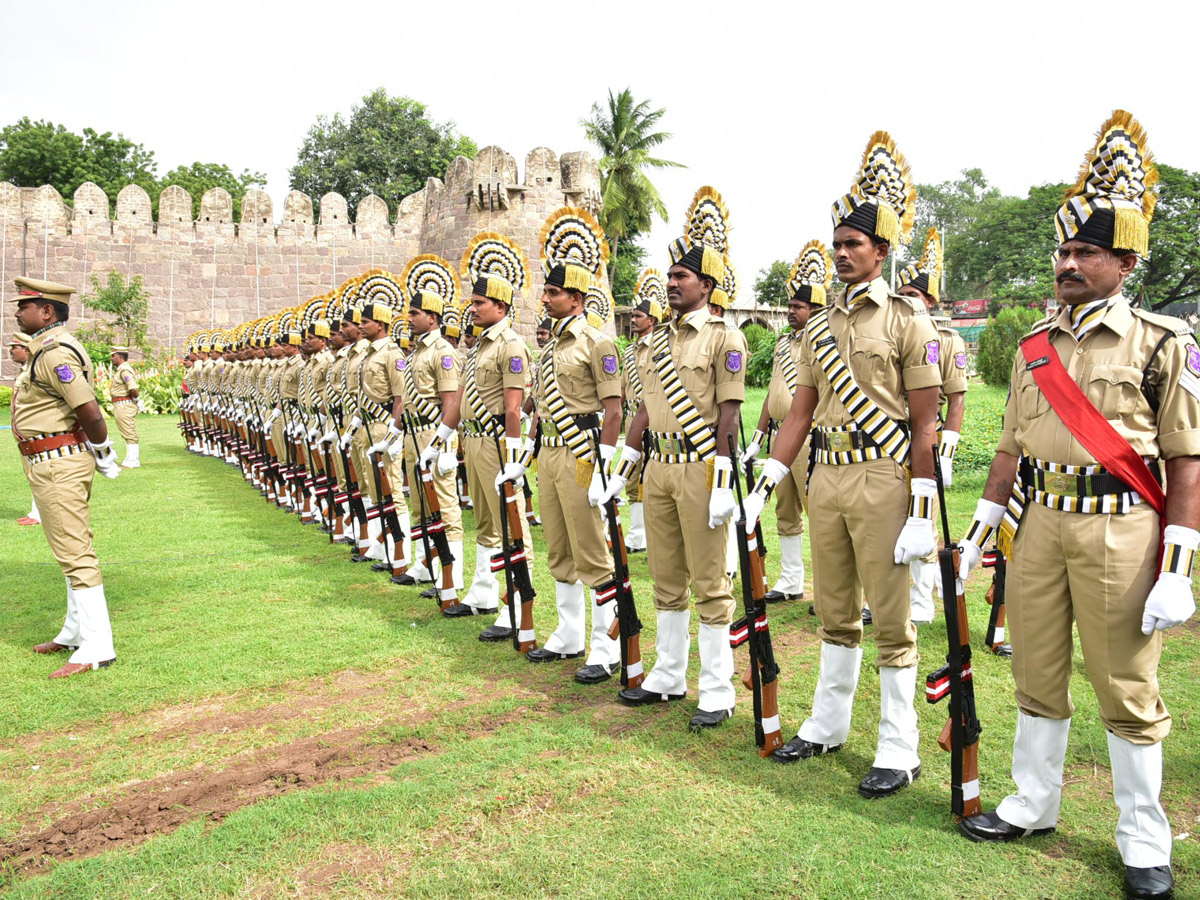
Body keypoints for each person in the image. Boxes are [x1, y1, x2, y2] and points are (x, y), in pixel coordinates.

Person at [954, 111, 1197, 900]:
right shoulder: (1033, 345)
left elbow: (1188, 458)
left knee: (1125, 684)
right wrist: (986, 521)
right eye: (1062, 250)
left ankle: (1142, 838)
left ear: (1124, 262)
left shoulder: (1162, 343)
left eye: (1084, 251)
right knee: (1036, 667)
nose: (1067, 262)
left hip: (1121, 530)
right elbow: (1010, 446)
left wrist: (1179, 565)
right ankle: (1032, 804)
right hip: (1041, 524)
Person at [742, 133, 942, 796]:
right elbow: (799, 409)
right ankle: (827, 725)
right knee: (833, 610)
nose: (842, 254)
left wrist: (921, 509)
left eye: (854, 244)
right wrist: (770, 477)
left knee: (890, 617)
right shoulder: (818, 327)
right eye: (837, 244)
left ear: (882, 252)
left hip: (884, 478)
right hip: (824, 476)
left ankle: (897, 744)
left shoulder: (910, 321)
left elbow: (925, 424)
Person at [600, 186, 747, 730]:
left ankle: (717, 687)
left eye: (681, 277)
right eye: (670, 277)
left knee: (710, 581)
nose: (671, 283)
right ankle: (668, 674)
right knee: (664, 576)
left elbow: (729, 415)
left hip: (700, 465)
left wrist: (724, 479)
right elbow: (642, 409)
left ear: (705, 285)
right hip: (657, 468)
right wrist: (622, 463)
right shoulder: (652, 342)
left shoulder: (724, 336)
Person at [500, 207, 622, 681]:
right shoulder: (548, 347)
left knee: (592, 548)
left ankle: (606, 645)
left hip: (582, 452)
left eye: (552, 292)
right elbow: (537, 405)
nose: (543, 299)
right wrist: (523, 454)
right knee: (558, 546)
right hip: (548, 453)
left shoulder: (598, 343)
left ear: (575, 297)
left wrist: (604, 467)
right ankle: (570, 633)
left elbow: (614, 411)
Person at [419, 232, 531, 636]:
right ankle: (484, 590)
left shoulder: (511, 346)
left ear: (500, 306)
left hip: (499, 443)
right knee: (485, 521)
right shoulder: (479, 347)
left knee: (509, 522)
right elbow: (461, 399)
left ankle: (516, 602)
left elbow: (515, 407)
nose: (473, 309)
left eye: (480, 303)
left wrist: (516, 458)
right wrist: (438, 442)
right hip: (474, 439)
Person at [10, 277, 120, 679]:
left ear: (47, 312)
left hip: (59, 462)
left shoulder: (56, 354)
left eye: (25, 306)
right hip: (50, 460)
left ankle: (97, 646)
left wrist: (104, 452)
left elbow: (88, 410)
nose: (18, 312)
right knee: (67, 552)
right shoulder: (44, 350)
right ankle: (76, 631)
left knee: (76, 554)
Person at [741, 241, 830, 605]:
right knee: (785, 511)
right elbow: (772, 391)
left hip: (809, 437)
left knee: (821, 514)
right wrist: (759, 436)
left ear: (815, 308)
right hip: (780, 434)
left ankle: (829, 590)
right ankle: (792, 579)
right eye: (790, 305)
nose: (791, 311)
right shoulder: (781, 344)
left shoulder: (826, 342)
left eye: (798, 306)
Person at [896, 228, 968, 624]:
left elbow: (955, 400)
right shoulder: (893, 330)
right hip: (890, 439)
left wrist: (948, 454)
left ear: (929, 300)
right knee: (894, 518)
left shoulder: (947, 338)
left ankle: (922, 601)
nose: (906, 301)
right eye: (901, 294)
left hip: (929, 439)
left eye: (913, 295)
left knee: (922, 516)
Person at [397, 255, 465, 602]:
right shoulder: (414, 353)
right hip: (413, 433)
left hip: (432, 432)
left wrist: (444, 444)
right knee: (421, 503)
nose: (409, 319)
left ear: (432, 318)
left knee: (445, 503)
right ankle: (426, 563)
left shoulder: (442, 352)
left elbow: (451, 402)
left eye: (414, 314)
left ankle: (451, 574)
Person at [620, 270, 668, 553]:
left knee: (653, 476)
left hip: (655, 418)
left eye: (639, 316)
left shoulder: (661, 347)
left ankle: (652, 531)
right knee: (633, 475)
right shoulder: (630, 351)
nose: (634, 319)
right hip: (633, 419)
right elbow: (624, 387)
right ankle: (638, 534)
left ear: (652, 319)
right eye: (633, 315)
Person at [10, 332, 42, 525]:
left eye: (15, 347)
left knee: (38, 471)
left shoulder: (33, 372)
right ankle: (35, 511)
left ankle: (39, 513)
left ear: (27, 350)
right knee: (31, 471)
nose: (11, 351)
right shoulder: (25, 370)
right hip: (24, 432)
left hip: (34, 431)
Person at [108, 346, 141, 468]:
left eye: (113, 355)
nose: (111, 358)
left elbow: (133, 387)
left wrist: (137, 399)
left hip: (124, 403)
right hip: (119, 403)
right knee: (125, 431)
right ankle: (129, 459)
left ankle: (133, 460)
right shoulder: (120, 369)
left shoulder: (124, 370)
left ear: (120, 357)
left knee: (129, 431)